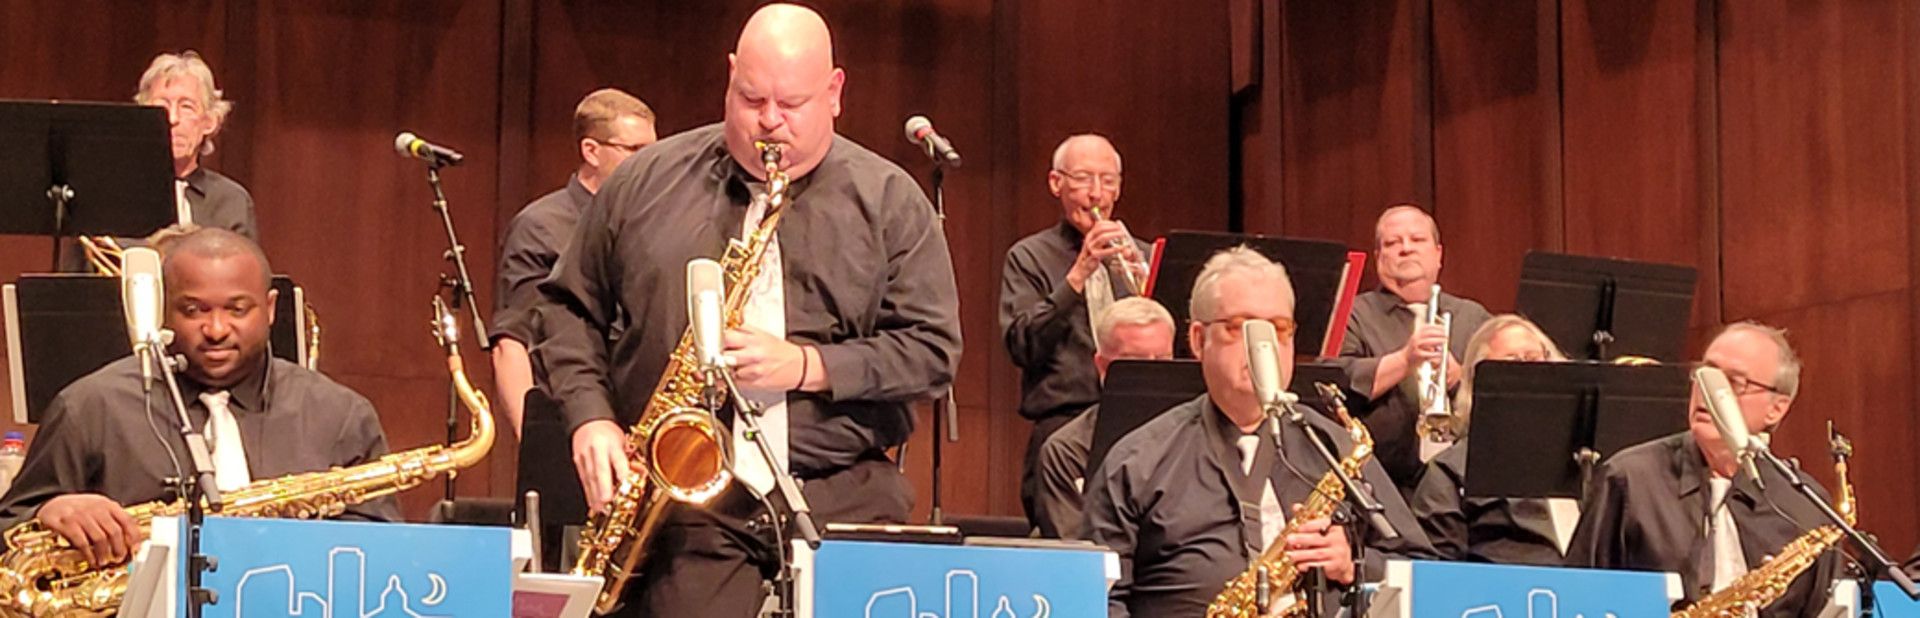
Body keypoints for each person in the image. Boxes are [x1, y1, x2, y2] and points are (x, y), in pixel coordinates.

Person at [538, 4, 961, 616]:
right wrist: (590, 419)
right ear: (730, 75)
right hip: (689, 504)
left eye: (791, 104)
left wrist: (809, 366)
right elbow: (566, 309)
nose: (769, 122)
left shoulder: (890, 200)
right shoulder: (645, 181)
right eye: (751, 98)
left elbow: (932, 351)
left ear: (835, 92)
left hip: (844, 489)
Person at [0, 228, 397, 567]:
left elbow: (383, 555)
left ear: (270, 308)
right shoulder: (91, 406)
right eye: (193, 310)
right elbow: (9, 526)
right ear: (162, 308)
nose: (216, 329)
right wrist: (48, 511)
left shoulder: (340, 415)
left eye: (237, 310)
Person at [1083, 246, 1433, 617]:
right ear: (1199, 339)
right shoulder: (1138, 459)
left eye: (1279, 329)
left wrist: (1352, 564)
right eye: (1241, 328)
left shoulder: (1335, 446)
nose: (1263, 346)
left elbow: (1420, 571)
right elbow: (1097, 598)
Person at [1565, 322, 1840, 617]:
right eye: (1705, 375)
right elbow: (1576, 598)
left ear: (1776, 408)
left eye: (1734, 382)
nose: (1709, 392)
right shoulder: (1629, 478)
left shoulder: (1806, 506)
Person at [1000, 133, 1151, 525]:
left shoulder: (1144, 257)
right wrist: (1077, 276)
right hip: (1062, 429)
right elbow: (1021, 345)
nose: (1096, 194)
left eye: (1108, 181)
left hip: (1142, 427)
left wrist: (1151, 291)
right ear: (1056, 183)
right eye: (1083, 179)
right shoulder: (1029, 257)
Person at [492, 88, 658, 435]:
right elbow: (512, 342)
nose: (649, 163)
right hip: (567, 423)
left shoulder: (654, 223)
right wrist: (533, 441)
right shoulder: (541, 226)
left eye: (653, 150)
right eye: (635, 150)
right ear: (591, 151)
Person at [1330, 204, 1491, 492]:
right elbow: (1335, 380)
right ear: (1378, 258)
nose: (1406, 249)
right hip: (1379, 481)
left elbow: (1498, 391)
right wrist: (1406, 360)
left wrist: (1457, 377)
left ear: (1438, 254)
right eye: (1393, 243)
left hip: (1463, 483)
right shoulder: (1352, 313)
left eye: (1417, 240)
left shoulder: (1472, 316)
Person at [1407, 315, 1577, 565]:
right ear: (1480, 383)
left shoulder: (1584, 458)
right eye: (1513, 362)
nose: (1529, 373)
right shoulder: (1451, 470)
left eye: (1534, 359)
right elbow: (1438, 569)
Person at [69, 51, 257, 272]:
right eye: (162, 107)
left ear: (209, 122)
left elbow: (247, 282)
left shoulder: (232, 202)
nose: (172, 119)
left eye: (186, 107)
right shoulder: (104, 197)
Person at [1030, 297, 1175, 539]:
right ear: (1102, 367)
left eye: (1162, 360)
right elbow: (1078, 550)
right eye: (1135, 362)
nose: (1152, 374)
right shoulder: (1067, 452)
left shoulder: (1197, 439)